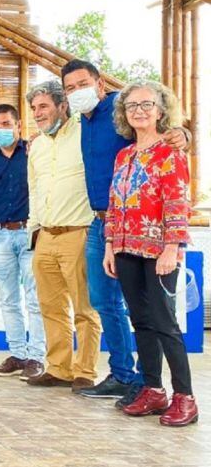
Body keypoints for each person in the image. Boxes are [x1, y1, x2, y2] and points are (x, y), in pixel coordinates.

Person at [62, 59, 189, 403]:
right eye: (70, 88)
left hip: (147, 232)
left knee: (153, 316)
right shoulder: (81, 120)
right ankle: (129, 377)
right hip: (105, 224)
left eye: (82, 84)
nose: (77, 92)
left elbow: (165, 131)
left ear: (100, 84)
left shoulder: (121, 107)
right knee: (105, 302)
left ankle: (162, 388)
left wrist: (183, 134)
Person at [104, 81, 196, 426]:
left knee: (164, 323)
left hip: (159, 251)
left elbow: (177, 204)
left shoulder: (170, 153)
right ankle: (153, 389)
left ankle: (185, 397)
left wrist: (173, 247)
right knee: (140, 321)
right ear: (124, 114)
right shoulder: (123, 155)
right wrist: (111, 246)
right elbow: (114, 205)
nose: (139, 111)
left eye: (147, 104)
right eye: (132, 106)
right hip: (126, 249)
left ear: (161, 110)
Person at [23, 80, 101, 391]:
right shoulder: (37, 146)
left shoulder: (86, 133)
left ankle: (85, 371)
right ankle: (58, 368)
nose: (37, 113)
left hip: (79, 231)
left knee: (85, 308)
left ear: (61, 105)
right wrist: (35, 231)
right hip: (45, 235)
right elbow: (34, 189)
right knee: (51, 307)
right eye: (34, 108)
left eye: (43, 106)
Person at [0, 104, 45, 380]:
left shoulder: (33, 153)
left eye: (6, 123)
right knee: (8, 298)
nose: (1, 129)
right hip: (0, 234)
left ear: (19, 125)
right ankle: (17, 353)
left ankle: (36, 357)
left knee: (35, 298)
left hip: (29, 232)